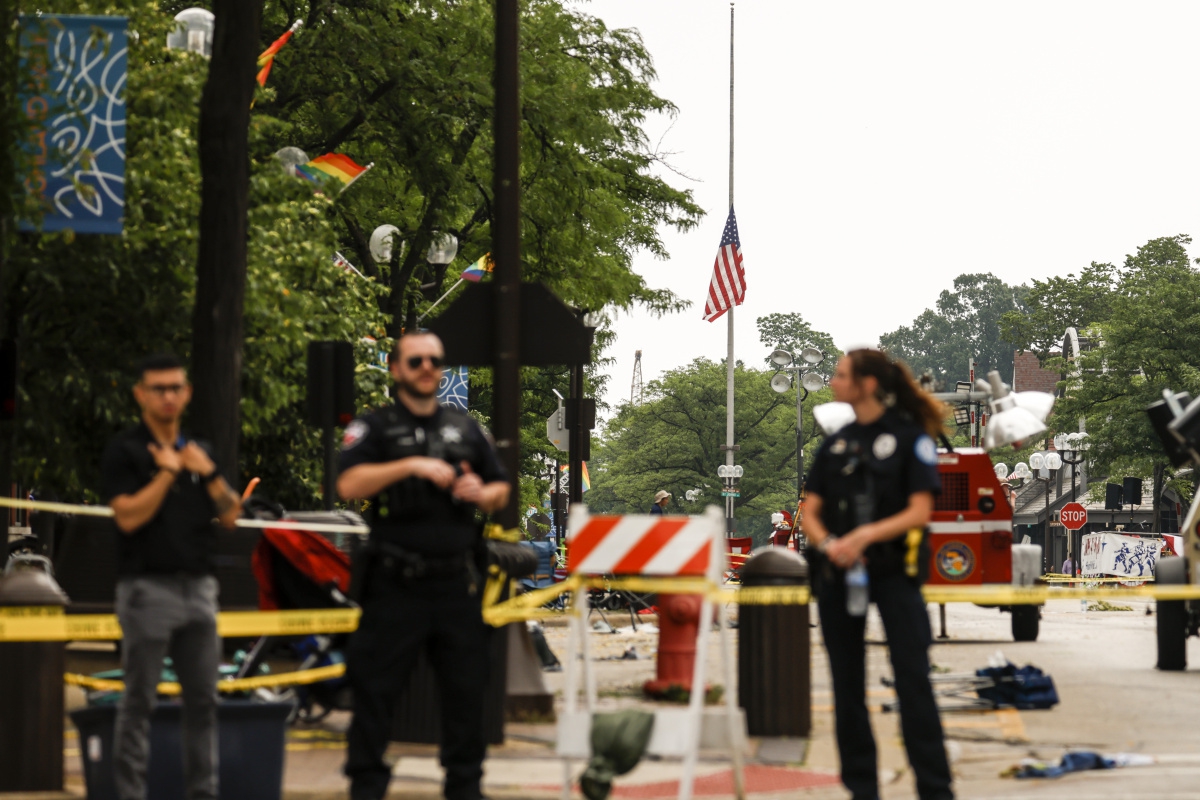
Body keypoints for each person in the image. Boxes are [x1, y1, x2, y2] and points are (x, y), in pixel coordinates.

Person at [338, 331, 510, 800]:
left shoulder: (464, 427)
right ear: (396, 369)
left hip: (455, 582)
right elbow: (348, 482)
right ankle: (367, 787)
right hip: (395, 583)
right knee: (374, 693)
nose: (427, 368)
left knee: (466, 694)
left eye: (435, 360)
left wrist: (481, 493)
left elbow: (500, 488)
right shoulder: (376, 427)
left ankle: (465, 788)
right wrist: (409, 466)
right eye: (416, 361)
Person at [803, 349, 954, 800]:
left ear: (867, 384)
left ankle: (935, 789)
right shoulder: (835, 444)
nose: (832, 382)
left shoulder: (910, 438)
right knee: (847, 688)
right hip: (839, 576)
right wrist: (832, 545)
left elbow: (920, 510)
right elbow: (809, 511)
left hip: (894, 573)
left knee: (913, 680)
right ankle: (862, 789)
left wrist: (864, 536)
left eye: (840, 375)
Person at [101, 353, 243, 800]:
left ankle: (202, 793)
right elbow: (126, 518)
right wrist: (167, 472)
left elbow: (232, 516)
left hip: (200, 588)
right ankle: (130, 794)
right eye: (158, 388)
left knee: (203, 703)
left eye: (175, 387)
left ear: (187, 393)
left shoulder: (201, 450)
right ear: (140, 394)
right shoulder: (125, 450)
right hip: (147, 588)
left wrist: (210, 472)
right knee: (138, 701)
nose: (167, 396)